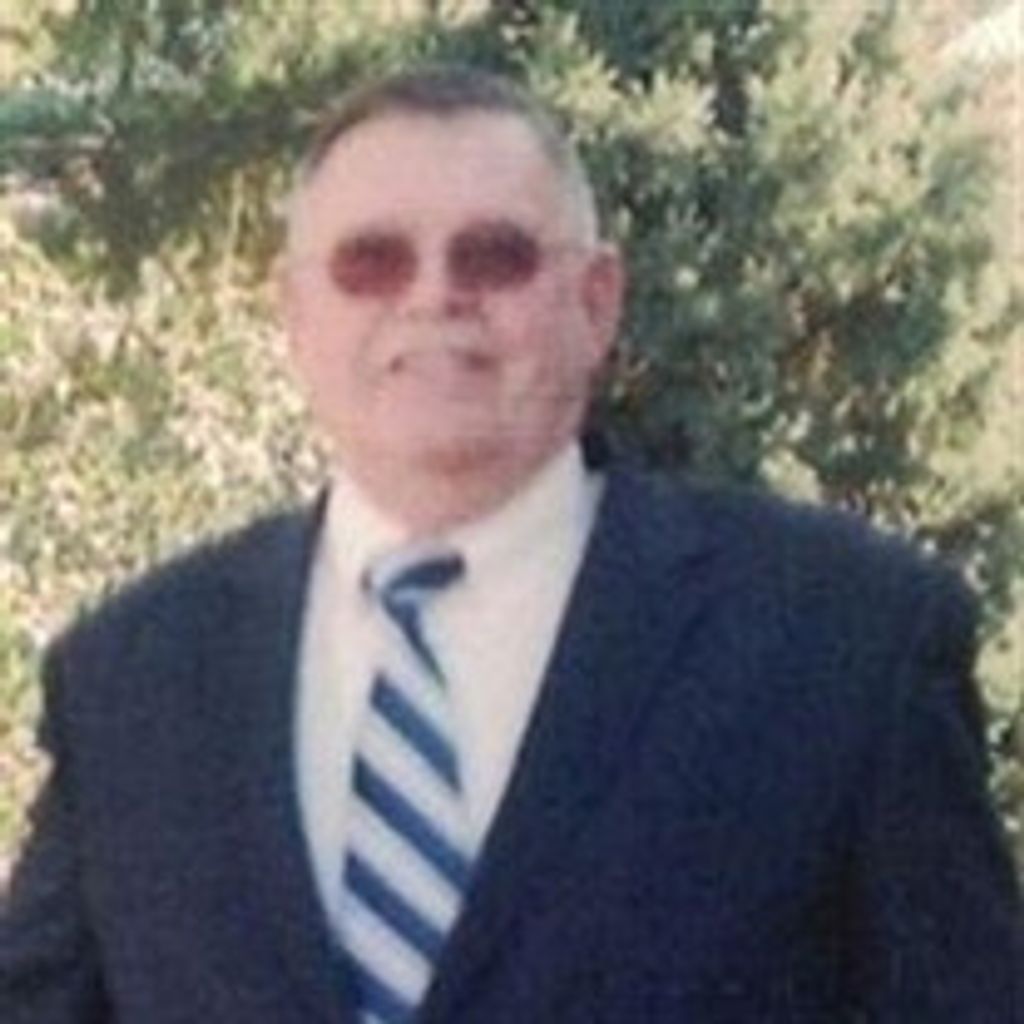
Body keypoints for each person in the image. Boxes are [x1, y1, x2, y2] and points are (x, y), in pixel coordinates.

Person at [1, 64, 1020, 1024]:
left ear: (596, 301)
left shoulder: (844, 644)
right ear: (295, 314)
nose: (431, 296)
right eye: (371, 261)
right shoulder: (132, 679)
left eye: (495, 255)